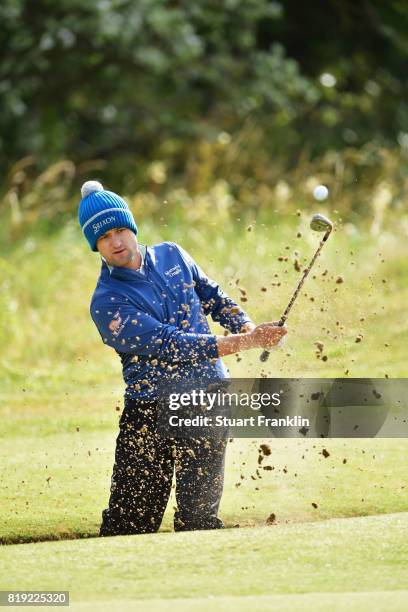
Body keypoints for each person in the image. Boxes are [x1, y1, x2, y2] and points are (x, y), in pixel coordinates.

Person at [78, 180, 287, 536]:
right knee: (130, 523)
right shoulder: (106, 302)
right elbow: (172, 344)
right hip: (149, 409)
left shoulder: (173, 254)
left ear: (131, 227)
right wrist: (248, 341)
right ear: (95, 245)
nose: (115, 242)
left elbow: (214, 298)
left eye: (119, 230)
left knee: (200, 519)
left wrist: (248, 325)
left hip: (206, 397)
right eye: (104, 237)